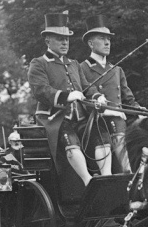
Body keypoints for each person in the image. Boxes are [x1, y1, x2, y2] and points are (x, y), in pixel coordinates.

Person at [27, 11, 109, 186]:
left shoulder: (74, 64)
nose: (65, 42)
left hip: (80, 118)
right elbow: (40, 90)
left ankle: (107, 178)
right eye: (59, 38)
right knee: (68, 137)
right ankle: (88, 182)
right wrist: (66, 96)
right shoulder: (39, 63)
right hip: (55, 119)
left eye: (67, 39)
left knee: (101, 132)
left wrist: (97, 96)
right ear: (48, 40)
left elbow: (87, 87)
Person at [79, 15, 144, 174]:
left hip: (118, 122)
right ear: (91, 43)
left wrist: (139, 111)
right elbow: (85, 92)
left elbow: (128, 99)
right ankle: (108, 178)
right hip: (96, 121)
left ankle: (133, 175)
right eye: (102, 39)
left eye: (108, 39)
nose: (107, 43)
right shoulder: (82, 68)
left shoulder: (116, 70)